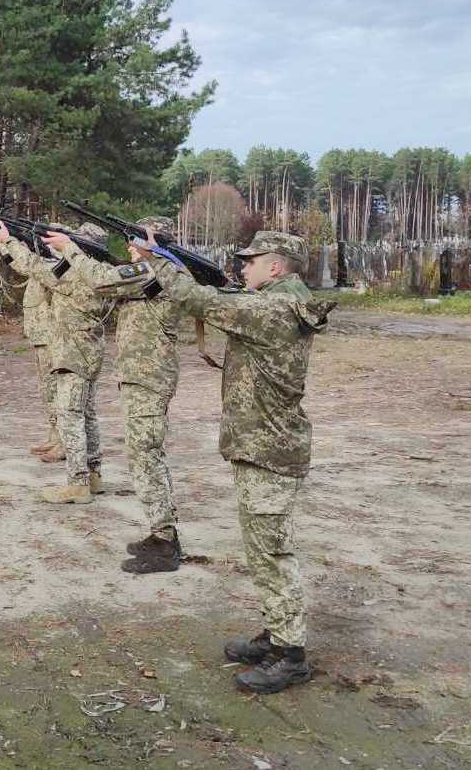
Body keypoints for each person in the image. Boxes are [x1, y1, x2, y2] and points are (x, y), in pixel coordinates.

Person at [151, 229, 330, 695]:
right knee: (261, 549)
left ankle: (291, 655)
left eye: (251, 261)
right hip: (260, 445)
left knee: (271, 552)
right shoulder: (277, 301)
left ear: (276, 266)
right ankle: (276, 634)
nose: (242, 267)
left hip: (269, 450)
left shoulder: (271, 308)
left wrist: (157, 257)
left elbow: (199, 300)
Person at [40, 217, 186, 574]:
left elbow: (101, 279)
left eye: (136, 241)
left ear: (155, 243)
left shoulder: (152, 271)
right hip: (142, 378)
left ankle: (165, 541)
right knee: (144, 455)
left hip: (149, 379)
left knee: (146, 456)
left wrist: (69, 248)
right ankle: (161, 532)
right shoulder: (153, 272)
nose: (130, 248)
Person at [0, 221, 112, 503]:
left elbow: (32, 266)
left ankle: (77, 483)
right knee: (88, 414)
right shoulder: (101, 273)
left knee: (70, 415)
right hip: (90, 350)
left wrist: (7, 241)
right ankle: (93, 475)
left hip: (72, 352)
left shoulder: (73, 274)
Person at [2, 238, 63, 462]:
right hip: (41, 336)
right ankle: (55, 436)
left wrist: (7, 239)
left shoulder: (57, 265)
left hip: (51, 337)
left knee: (56, 392)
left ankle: (63, 442)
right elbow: (19, 264)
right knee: (48, 391)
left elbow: (28, 264)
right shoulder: (45, 263)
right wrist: (1, 243)